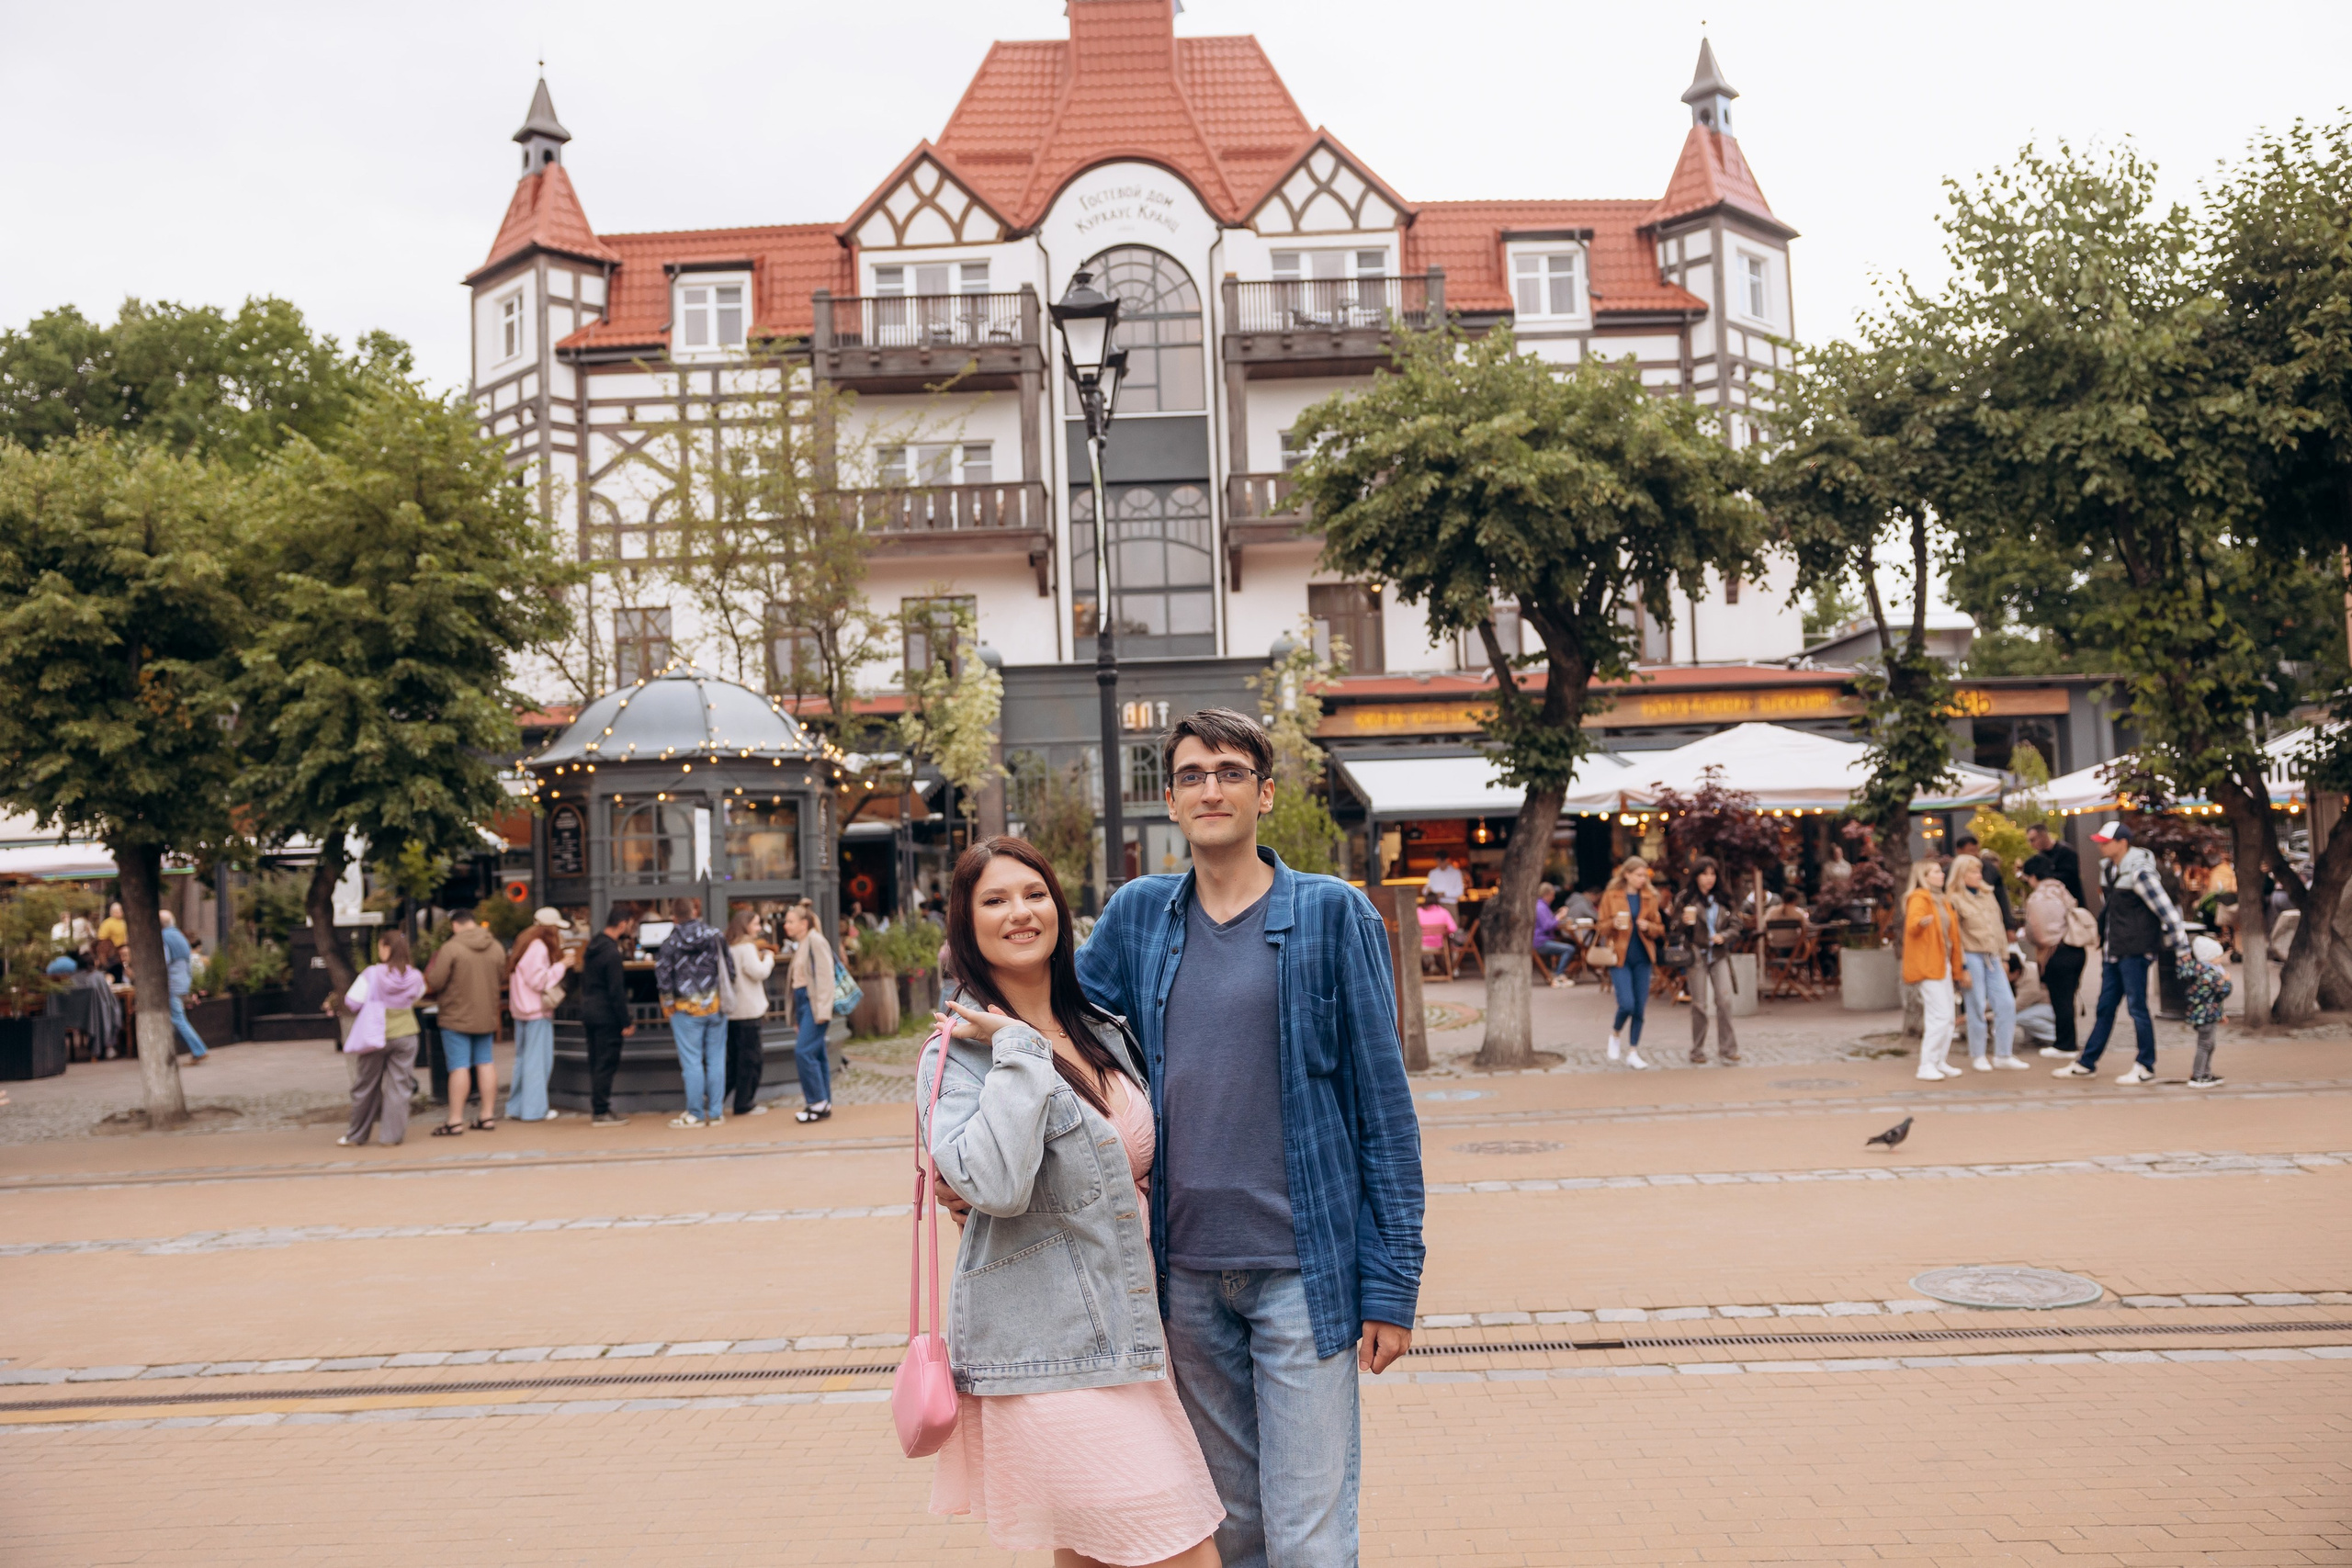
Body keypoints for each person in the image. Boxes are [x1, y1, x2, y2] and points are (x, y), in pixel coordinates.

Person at [1059, 707, 1423, 1568]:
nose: (1209, 788)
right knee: (1228, 1527)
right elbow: (1061, 1027)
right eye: (1191, 774)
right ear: (1173, 803)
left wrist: (1392, 1282)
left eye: (1229, 772)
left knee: (1309, 1531)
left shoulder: (1334, 915)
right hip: (1183, 1275)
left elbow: (1386, 1107)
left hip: (1307, 1272)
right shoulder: (1141, 915)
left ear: (1264, 793)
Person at [918, 837, 1226, 1567]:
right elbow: (994, 1184)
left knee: (1089, 1555)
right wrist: (1019, 1052)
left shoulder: (1104, 1030)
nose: (1020, 912)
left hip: (1134, 1331)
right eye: (994, 900)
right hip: (1052, 1349)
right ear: (966, 924)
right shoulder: (953, 1055)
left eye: (1034, 892)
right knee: (1187, 1549)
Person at [2057, 821, 2192, 1085]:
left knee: (2137, 1008)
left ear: (2122, 843)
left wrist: (2182, 947)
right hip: (2114, 951)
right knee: (2106, 1007)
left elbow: (2167, 911)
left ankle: (2145, 1065)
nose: (2100, 846)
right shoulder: (2109, 870)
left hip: (2135, 950)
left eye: (2105, 842)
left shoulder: (2140, 872)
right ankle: (2087, 1063)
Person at [654, 897, 735, 1129]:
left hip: (685, 1009)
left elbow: (663, 977)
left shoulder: (670, 942)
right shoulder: (715, 936)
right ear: (695, 911)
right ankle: (717, 1112)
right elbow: (730, 969)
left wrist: (668, 1003)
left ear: (674, 917)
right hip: (715, 1006)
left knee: (692, 1063)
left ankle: (696, 1113)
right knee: (716, 1059)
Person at [341, 931, 427, 1146]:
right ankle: (391, 1137)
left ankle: (356, 1136)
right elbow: (417, 996)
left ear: (387, 948)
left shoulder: (372, 974)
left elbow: (351, 1002)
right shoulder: (415, 976)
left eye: (381, 946)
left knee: (365, 1086)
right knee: (399, 1087)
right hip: (406, 1033)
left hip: (374, 1035)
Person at [424, 908, 506, 1134]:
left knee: (459, 1066)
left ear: (455, 925)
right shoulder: (496, 946)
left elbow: (436, 981)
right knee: (485, 1062)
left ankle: (455, 1120)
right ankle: (487, 1116)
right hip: (486, 1014)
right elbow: (502, 975)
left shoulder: (451, 948)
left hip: (456, 1015)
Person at [1949, 855, 2023, 1069]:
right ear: (1961, 874)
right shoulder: (1954, 899)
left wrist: (2005, 955)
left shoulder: (1987, 894)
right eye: (1973, 872)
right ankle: (1978, 1054)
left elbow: (1999, 927)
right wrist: (1962, 967)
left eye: (1979, 871)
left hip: (1992, 956)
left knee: (2007, 1003)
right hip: (1971, 955)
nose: (1978, 875)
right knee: (1976, 1006)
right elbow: (1956, 937)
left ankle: (2004, 1054)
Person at [1595, 856, 1665, 1070]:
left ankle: (1633, 1051)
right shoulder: (1611, 896)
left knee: (1640, 1008)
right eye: (1638, 875)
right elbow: (1600, 927)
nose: (1643, 879)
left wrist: (1648, 927)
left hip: (1643, 957)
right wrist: (1613, 923)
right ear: (1626, 874)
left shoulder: (1649, 897)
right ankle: (1615, 1034)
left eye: (1645, 875)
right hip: (1620, 957)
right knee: (1627, 1003)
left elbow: (1660, 929)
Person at [504, 910, 574, 1122]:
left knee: (523, 1060)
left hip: (521, 1010)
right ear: (551, 928)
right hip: (536, 1011)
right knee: (538, 1062)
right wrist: (563, 964)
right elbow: (540, 981)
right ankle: (534, 1110)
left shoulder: (525, 942)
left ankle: (516, 1107)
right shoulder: (539, 947)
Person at [1902, 861, 1968, 1082]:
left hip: (1942, 963)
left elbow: (1952, 935)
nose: (1942, 874)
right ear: (1925, 876)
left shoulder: (1942, 900)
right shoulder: (1920, 897)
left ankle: (1939, 1061)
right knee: (1939, 1016)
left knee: (1947, 1016)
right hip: (1929, 965)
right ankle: (1926, 1064)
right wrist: (1920, 923)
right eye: (1936, 871)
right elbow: (1912, 924)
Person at [1672, 857, 1741, 1065]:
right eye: (1705, 874)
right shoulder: (1685, 898)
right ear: (1696, 876)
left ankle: (1727, 1048)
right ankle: (1697, 1050)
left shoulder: (1724, 898)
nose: (1709, 879)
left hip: (1718, 954)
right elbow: (1673, 928)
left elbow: (1736, 924)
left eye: (1713, 874)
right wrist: (1683, 922)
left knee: (1724, 1000)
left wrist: (1725, 936)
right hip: (1696, 954)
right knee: (1699, 1005)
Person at [2021, 853, 2089, 1059]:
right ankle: (2067, 1042)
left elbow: (2040, 934)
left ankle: (2065, 1045)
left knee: (2060, 1000)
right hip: (2076, 949)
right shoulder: (2061, 889)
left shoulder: (2039, 897)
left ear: (2033, 876)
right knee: (2068, 997)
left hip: (2056, 952)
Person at [580, 907, 638, 1126]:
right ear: (622, 924)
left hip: (590, 1010)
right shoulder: (612, 952)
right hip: (607, 1015)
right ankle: (601, 1111)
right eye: (630, 925)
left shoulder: (593, 946)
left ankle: (599, 1108)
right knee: (607, 1062)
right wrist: (626, 1021)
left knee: (596, 1061)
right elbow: (616, 991)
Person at [783, 902, 835, 1122]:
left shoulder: (815, 940)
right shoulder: (804, 942)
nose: (786, 925)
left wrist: (823, 1010)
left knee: (803, 1052)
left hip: (814, 1005)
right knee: (817, 1053)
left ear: (804, 924)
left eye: (790, 921)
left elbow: (825, 978)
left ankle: (816, 1102)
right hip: (806, 1005)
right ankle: (823, 1101)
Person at [723, 908, 777, 1117]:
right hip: (748, 1012)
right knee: (751, 1060)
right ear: (745, 926)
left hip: (732, 1012)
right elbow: (759, 972)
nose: (759, 928)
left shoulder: (729, 946)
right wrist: (769, 958)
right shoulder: (746, 947)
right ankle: (744, 1103)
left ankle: (715, 1100)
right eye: (755, 924)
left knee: (734, 1060)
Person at [157, 910, 209, 1065]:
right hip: (183, 981)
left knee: (178, 1019)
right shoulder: (180, 936)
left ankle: (199, 1050)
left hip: (172, 983)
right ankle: (177, 1051)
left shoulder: (164, 937)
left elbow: (164, 961)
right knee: (177, 1019)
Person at [2185, 934, 2233, 1088]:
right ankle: (2198, 1075)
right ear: (2209, 957)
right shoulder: (2210, 973)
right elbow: (2223, 991)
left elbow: (2213, 999)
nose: (2221, 959)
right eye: (2218, 956)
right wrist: (2227, 981)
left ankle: (2205, 1073)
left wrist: (2220, 1014)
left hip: (2208, 1014)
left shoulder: (2206, 971)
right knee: (2205, 1045)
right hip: (2205, 1016)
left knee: (2209, 1045)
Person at [2024, 824, 2084, 903]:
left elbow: (2070, 877)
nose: (2031, 844)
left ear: (2043, 836)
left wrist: (2044, 878)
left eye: (2033, 840)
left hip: (2069, 900)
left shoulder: (2066, 852)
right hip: (2050, 901)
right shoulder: (2039, 856)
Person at [1532, 883, 1577, 987]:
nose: (1554, 897)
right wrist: (1559, 916)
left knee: (1567, 946)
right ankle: (1559, 974)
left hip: (1541, 940)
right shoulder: (1541, 907)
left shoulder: (1542, 906)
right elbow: (1548, 926)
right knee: (1569, 949)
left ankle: (1561, 974)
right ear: (1546, 894)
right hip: (1540, 942)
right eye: (1552, 894)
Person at [1415, 886, 1458, 976]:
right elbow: (1453, 929)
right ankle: (1444, 968)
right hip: (1439, 945)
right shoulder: (1443, 912)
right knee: (1452, 947)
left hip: (1422, 946)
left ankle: (1432, 965)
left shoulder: (1418, 911)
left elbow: (1414, 928)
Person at [1423, 852, 1466, 916]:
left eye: (1441, 862)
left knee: (1452, 925)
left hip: (1450, 904)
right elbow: (1425, 890)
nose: (1439, 864)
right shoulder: (1433, 873)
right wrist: (1429, 891)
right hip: (1436, 905)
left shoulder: (1456, 873)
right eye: (1438, 861)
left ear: (1447, 860)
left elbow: (1460, 892)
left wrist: (1444, 894)